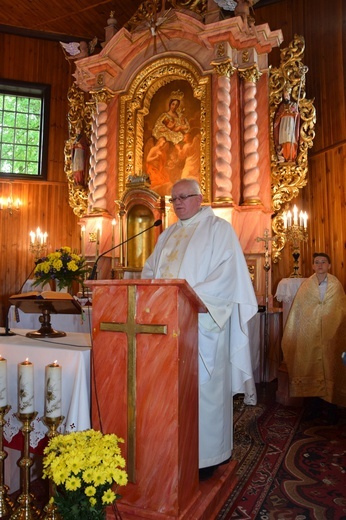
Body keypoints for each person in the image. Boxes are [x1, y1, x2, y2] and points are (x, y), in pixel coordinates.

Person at [141, 178, 258, 479]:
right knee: (167, 393)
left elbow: (227, 274)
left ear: (199, 197)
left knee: (203, 393)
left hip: (204, 327)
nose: (177, 203)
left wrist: (192, 300)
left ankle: (207, 457)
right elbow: (150, 272)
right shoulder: (166, 235)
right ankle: (170, 453)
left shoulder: (219, 230)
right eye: (173, 199)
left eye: (183, 197)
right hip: (167, 327)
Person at [282, 252, 346, 420]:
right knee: (310, 367)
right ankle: (312, 410)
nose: (320, 265)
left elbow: (341, 310)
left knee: (330, 368)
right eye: (316, 262)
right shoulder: (306, 286)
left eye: (323, 262)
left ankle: (331, 409)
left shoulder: (336, 285)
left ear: (329, 265)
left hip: (331, 336)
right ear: (312, 266)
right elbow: (299, 310)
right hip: (309, 337)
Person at [273, 87, 300, 163]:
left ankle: (291, 157)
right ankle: (283, 157)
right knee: (283, 139)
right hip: (283, 123)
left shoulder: (294, 104)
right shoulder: (282, 106)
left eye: (287, 95)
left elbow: (297, 114)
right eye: (285, 95)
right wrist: (281, 115)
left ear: (289, 95)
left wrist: (295, 114)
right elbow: (278, 115)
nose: (286, 97)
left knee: (290, 138)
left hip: (290, 123)